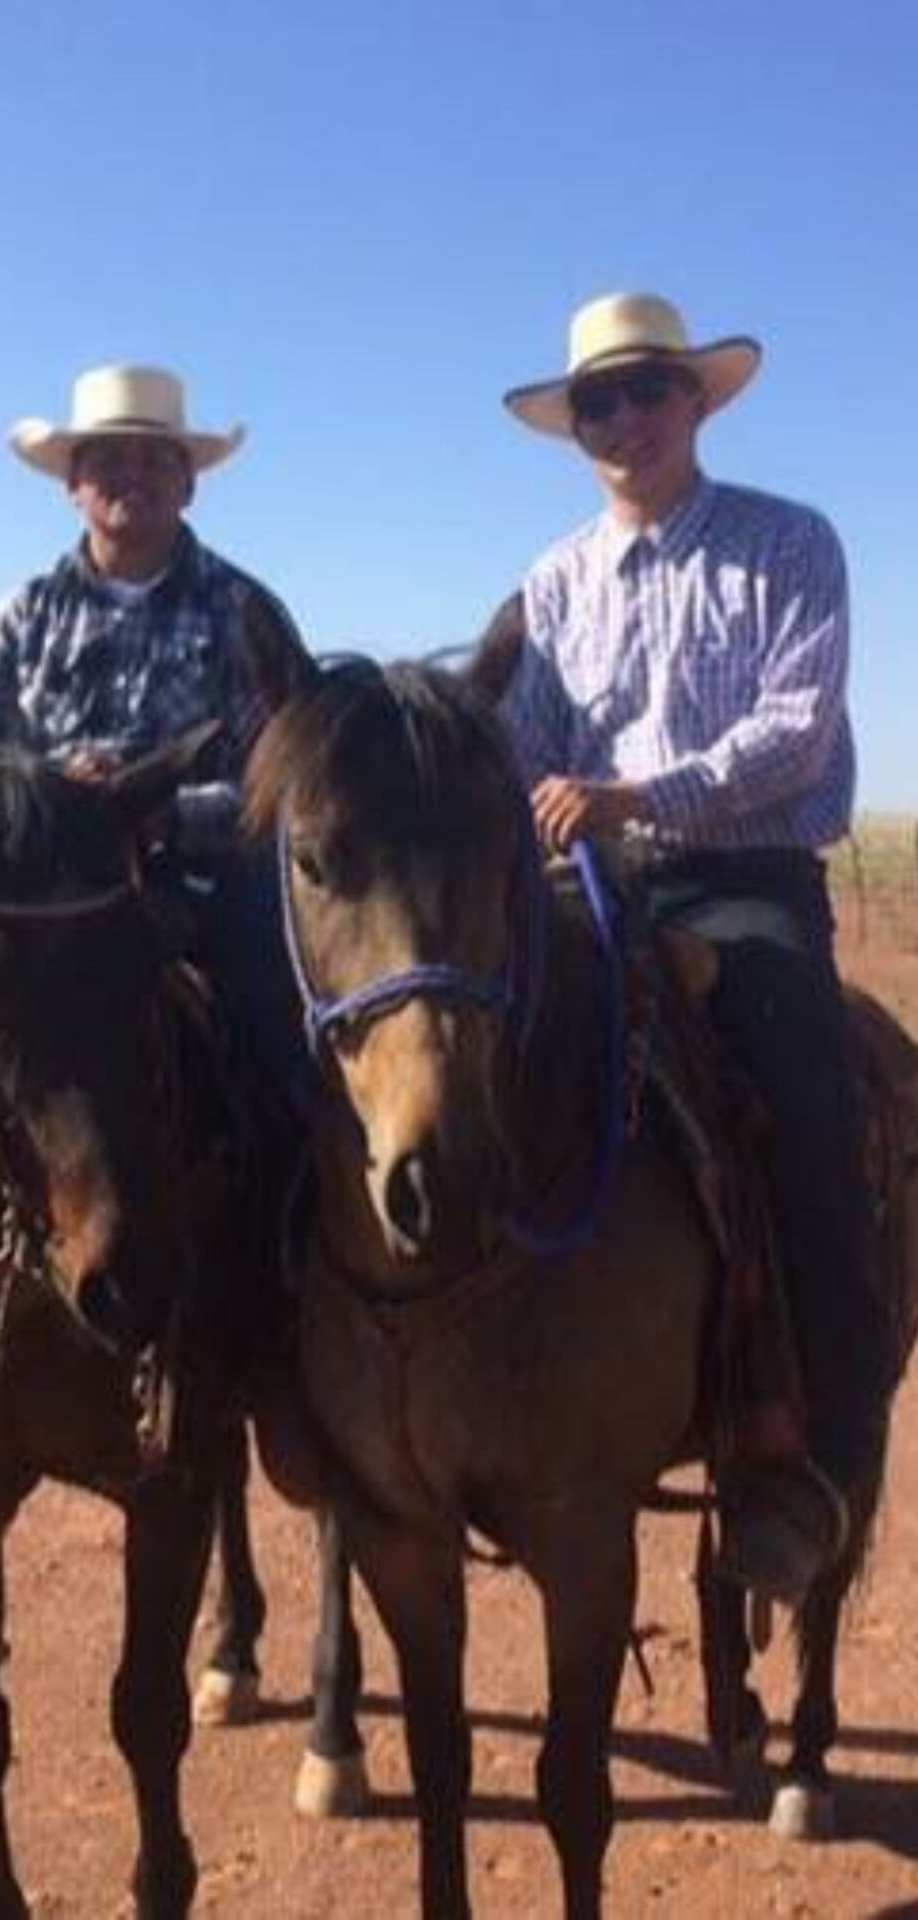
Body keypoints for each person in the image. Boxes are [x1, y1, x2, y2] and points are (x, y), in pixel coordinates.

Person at [494, 290, 892, 1606]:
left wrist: (634, 797)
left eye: (646, 390)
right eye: (596, 403)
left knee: (811, 1116)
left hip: (744, 885)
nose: (623, 419)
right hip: (592, 889)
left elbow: (794, 730)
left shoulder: (789, 544)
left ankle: (823, 1459)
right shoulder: (551, 585)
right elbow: (522, 747)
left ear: (694, 401)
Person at [0, 362, 308, 1123]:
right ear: (73, 484)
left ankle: (313, 1182)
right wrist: (53, 791)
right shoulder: (22, 614)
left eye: (156, 459)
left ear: (188, 484)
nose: (133, 475)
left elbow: (284, 782)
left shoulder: (245, 614)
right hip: (32, 887)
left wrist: (167, 814)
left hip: (196, 875)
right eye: (109, 458)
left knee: (280, 1033)